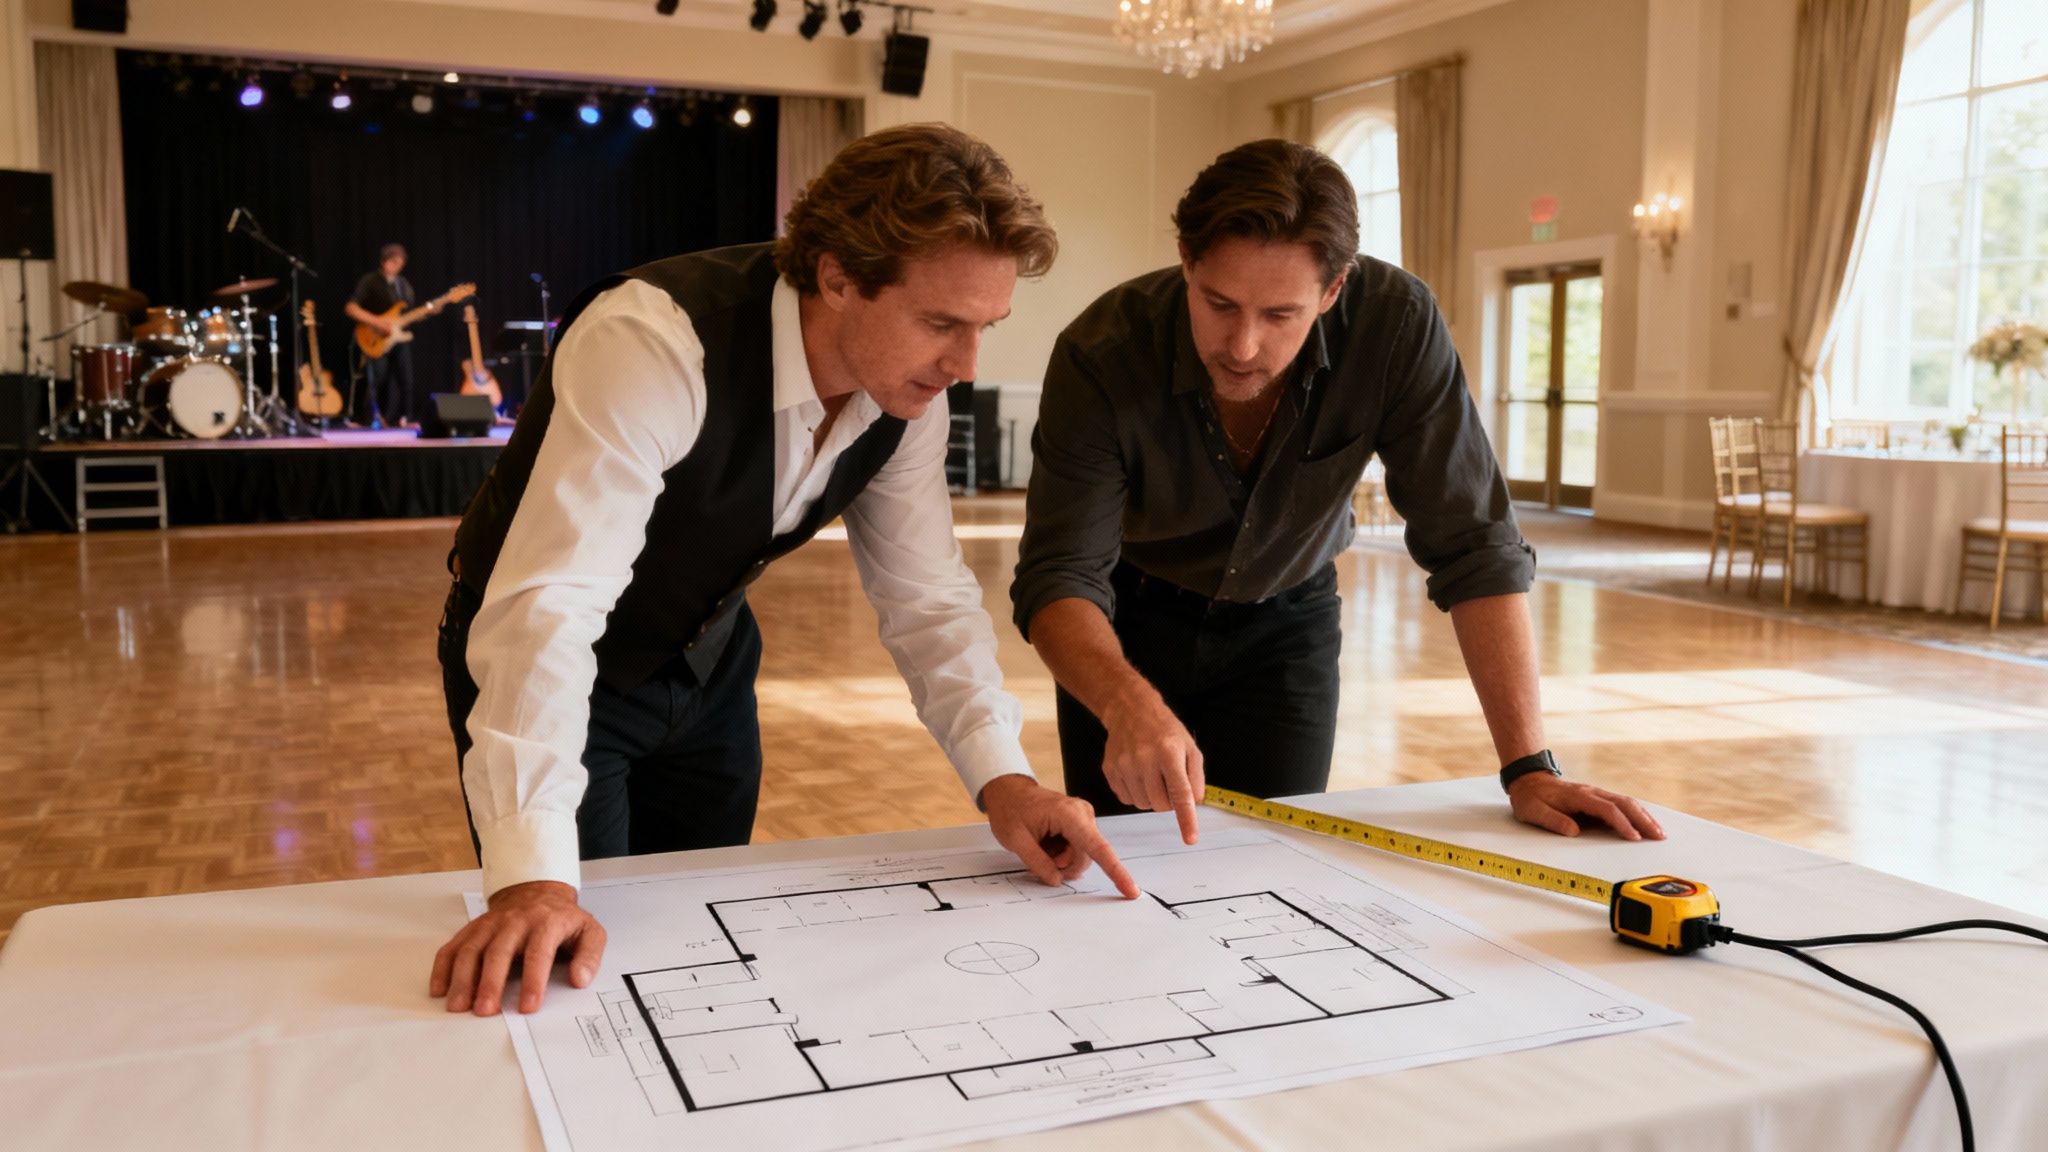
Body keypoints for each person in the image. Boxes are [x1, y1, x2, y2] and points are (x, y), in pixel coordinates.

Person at [432, 124, 1139, 1020]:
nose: (964, 368)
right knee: (570, 967)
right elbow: (551, 608)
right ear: (839, 277)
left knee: (693, 935)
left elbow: (926, 598)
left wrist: (1008, 782)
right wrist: (531, 878)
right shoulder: (652, 340)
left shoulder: (904, 394)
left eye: (984, 328)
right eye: (941, 324)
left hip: (712, 668)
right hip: (558, 669)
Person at [1011, 139, 1665, 848]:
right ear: (1186, 261)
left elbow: (1475, 544)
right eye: (1219, 304)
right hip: (1127, 627)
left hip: (1286, 626)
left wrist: (1527, 766)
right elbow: (1059, 575)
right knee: (1126, 876)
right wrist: (1126, 702)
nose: (1242, 345)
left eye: (1281, 315)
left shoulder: (1397, 327)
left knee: (1269, 864)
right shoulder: (1100, 353)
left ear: (1333, 290)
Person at [345, 242, 420, 427]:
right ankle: (365, 418)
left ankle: (403, 418)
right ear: (384, 261)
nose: (398, 265)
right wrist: (377, 322)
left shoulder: (403, 284)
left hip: (398, 337)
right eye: (394, 261)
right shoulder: (370, 281)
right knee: (377, 378)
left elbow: (406, 312)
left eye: (401, 262)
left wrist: (429, 310)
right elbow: (351, 308)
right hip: (376, 337)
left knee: (406, 378)